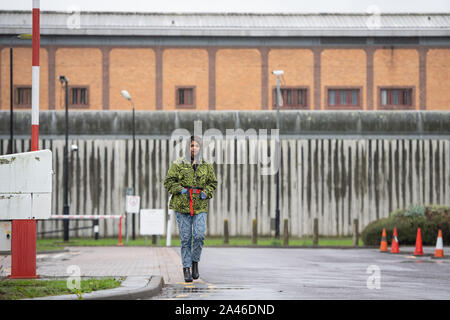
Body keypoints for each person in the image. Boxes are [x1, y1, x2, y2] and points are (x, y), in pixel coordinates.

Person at [163, 135, 217, 282]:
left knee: (199, 235)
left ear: (201, 148)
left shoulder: (206, 165)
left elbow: (213, 182)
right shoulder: (178, 164)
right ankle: (186, 268)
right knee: (186, 238)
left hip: (200, 204)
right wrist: (179, 189)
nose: (194, 148)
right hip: (182, 205)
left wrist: (207, 192)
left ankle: (195, 263)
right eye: (192, 145)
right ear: (188, 147)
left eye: (197, 146)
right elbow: (168, 182)